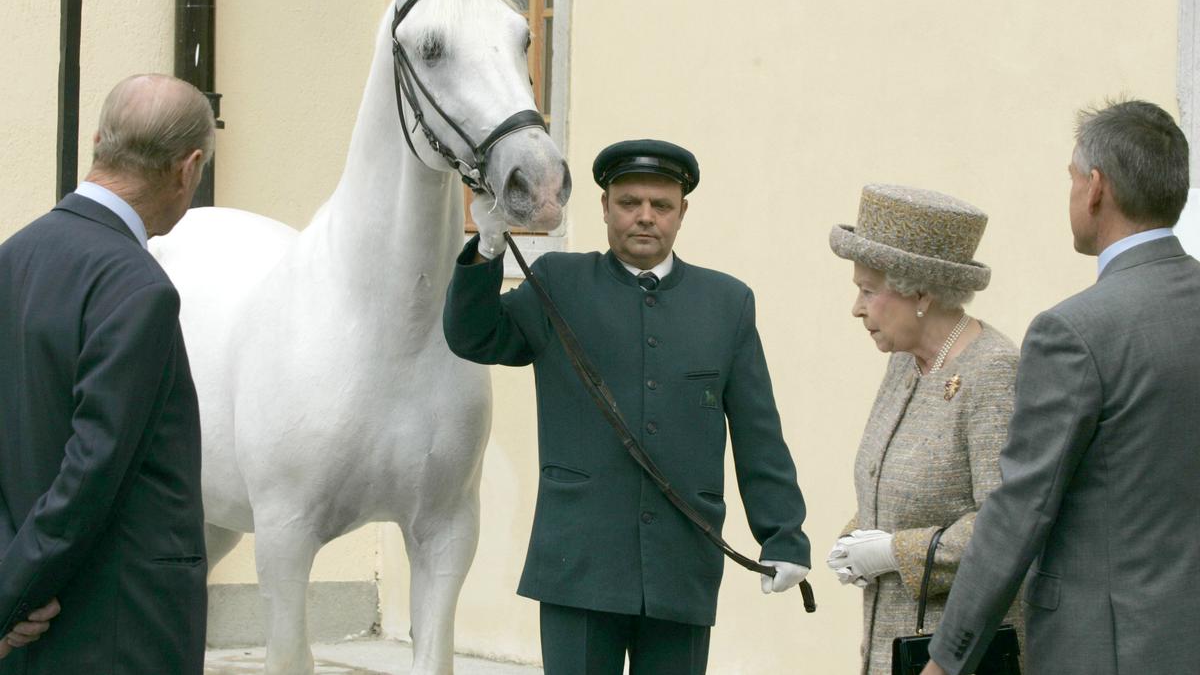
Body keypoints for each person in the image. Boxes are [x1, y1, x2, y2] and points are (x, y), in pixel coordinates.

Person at [443, 139, 811, 675]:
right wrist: (488, 246)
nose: (644, 217)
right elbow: (474, 337)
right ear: (605, 207)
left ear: (682, 213)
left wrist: (784, 534)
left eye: (661, 205)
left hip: (683, 559)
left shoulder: (728, 303)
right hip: (579, 560)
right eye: (629, 202)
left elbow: (758, 431)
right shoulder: (557, 284)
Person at [921, 100, 1200, 675]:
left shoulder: (1073, 331)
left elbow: (1021, 508)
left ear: (1095, 188)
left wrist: (947, 660)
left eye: (1072, 179)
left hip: (1105, 648)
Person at [0, 74, 214, 674]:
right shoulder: (137, 286)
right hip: (118, 628)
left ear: (97, 141)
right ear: (188, 168)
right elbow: (92, 468)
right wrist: (8, 599)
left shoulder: (11, 257)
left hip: (30, 625)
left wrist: (10, 584)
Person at [825, 185, 1024, 674]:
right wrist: (855, 540)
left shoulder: (993, 371)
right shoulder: (906, 361)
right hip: (888, 644)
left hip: (956, 655)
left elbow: (1005, 525)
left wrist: (894, 552)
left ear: (920, 293)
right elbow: (901, 486)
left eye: (869, 290)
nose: (856, 307)